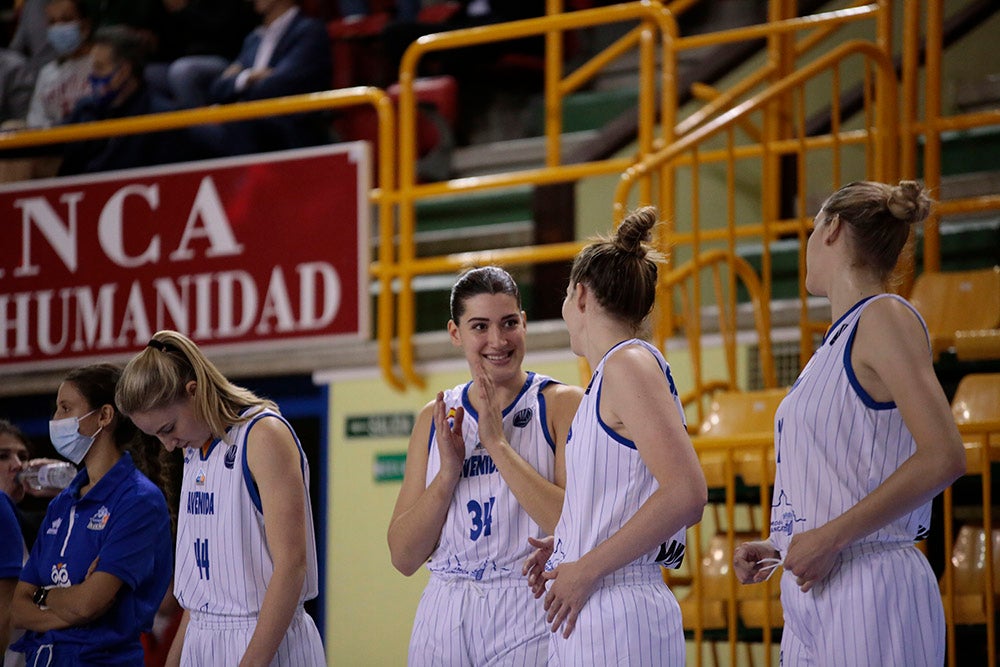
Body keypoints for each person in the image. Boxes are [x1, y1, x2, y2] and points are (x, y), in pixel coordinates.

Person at [732, 180, 967, 666]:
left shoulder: (884, 316)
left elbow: (945, 455)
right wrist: (779, 541)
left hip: (874, 580)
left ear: (833, 229)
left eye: (812, 229)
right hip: (816, 585)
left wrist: (831, 536)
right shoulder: (830, 348)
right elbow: (842, 473)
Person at [522, 206, 708, 665]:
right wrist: (573, 538)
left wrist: (587, 565)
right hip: (599, 601)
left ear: (581, 296)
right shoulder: (609, 376)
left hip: (619, 607)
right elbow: (626, 492)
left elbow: (687, 494)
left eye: (566, 296)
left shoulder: (627, 364)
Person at [387, 266, 582, 665]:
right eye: (480, 326)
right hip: (444, 606)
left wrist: (496, 444)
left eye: (509, 323)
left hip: (527, 604)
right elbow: (404, 557)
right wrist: (446, 476)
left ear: (524, 324)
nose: (498, 340)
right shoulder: (434, 418)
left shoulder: (561, 404)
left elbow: (573, 525)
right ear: (455, 333)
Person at [116, 330, 325, 666]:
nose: (167, 445)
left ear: (194, 391)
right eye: (157, 436)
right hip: (202, 639)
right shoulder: (193, 451)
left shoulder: (263, 435)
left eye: (168, 429)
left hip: (264, 640)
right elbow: (202, 597)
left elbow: (291, 566)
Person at [9, 363, 173, 665]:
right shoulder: (62, 503)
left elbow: (88, 604)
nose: (55, 420)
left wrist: (44, 596)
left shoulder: (138, 501)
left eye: (65, 408)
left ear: (104, 416)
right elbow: (18, 610)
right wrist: (70, 604)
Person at [56, 24, 201, 175]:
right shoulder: (86, 110)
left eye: (99, 68)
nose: (93, 76)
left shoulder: (162, 118)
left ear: (124, 71)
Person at [202, 0, 332, 156]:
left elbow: (276, 86)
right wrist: (248, 77)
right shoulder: (253, 39)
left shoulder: (308, 31)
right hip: (249, 123)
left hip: (289, 127)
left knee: (239, 123)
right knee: (190, 126)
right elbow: (217, 89)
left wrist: (237, 91)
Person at [24, 0, 94, 129]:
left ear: (85, 26)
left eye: (66, 20)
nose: (58, 27)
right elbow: (36, 124)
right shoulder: (47, 73)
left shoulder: (100, 65)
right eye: (52, 22)